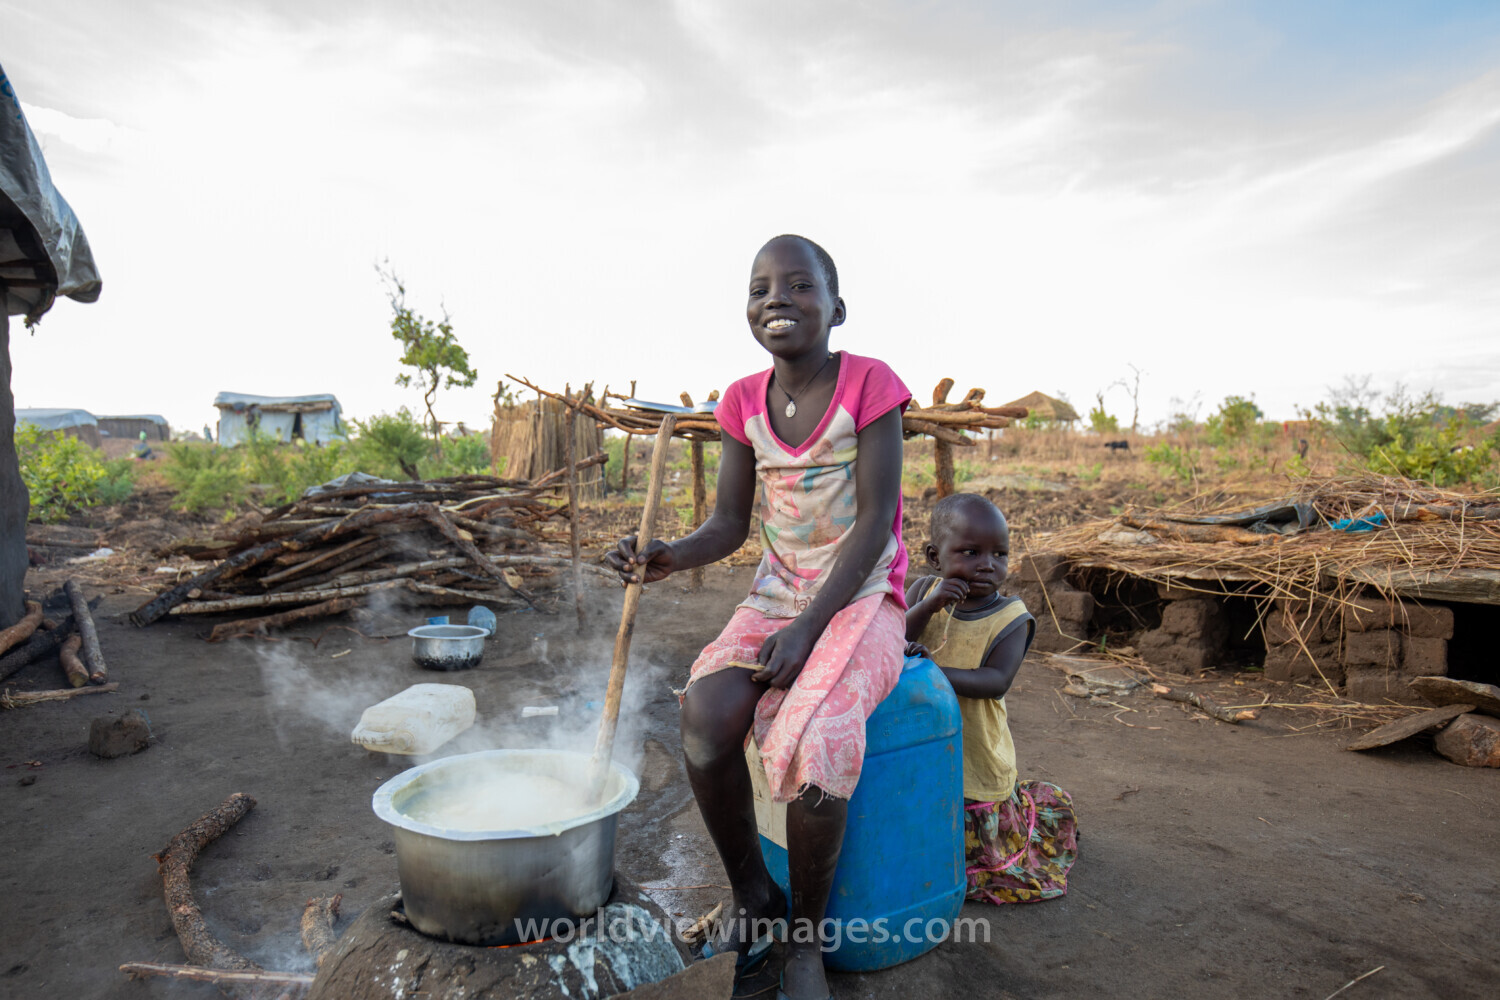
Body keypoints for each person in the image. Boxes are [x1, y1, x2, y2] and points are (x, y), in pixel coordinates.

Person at [608, 234, 909, 1000]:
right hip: (776, 593)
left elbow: (876, 524)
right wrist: (671, 553)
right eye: (760, 288)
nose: (777, 298)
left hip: (863, 594)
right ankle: (754, 897)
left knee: (820, 737)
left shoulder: (870, 385)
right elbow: (730, 524)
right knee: (706, 715)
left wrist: (808, 633)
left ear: (836, 309)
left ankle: (804, 941)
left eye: (799, 285)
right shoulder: (741, 402)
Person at [904, 493, 1079, 905]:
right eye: (970, 552)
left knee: (972, 842)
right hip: (920, 736)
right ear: (934, 556)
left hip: (975, 748)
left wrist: (934, 672)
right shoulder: (923, 591)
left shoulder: (1011, 618)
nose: (987, 564)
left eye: (999, 554)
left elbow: (996, 680)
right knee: (920, 800)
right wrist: (929, 607)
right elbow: (893, 639)